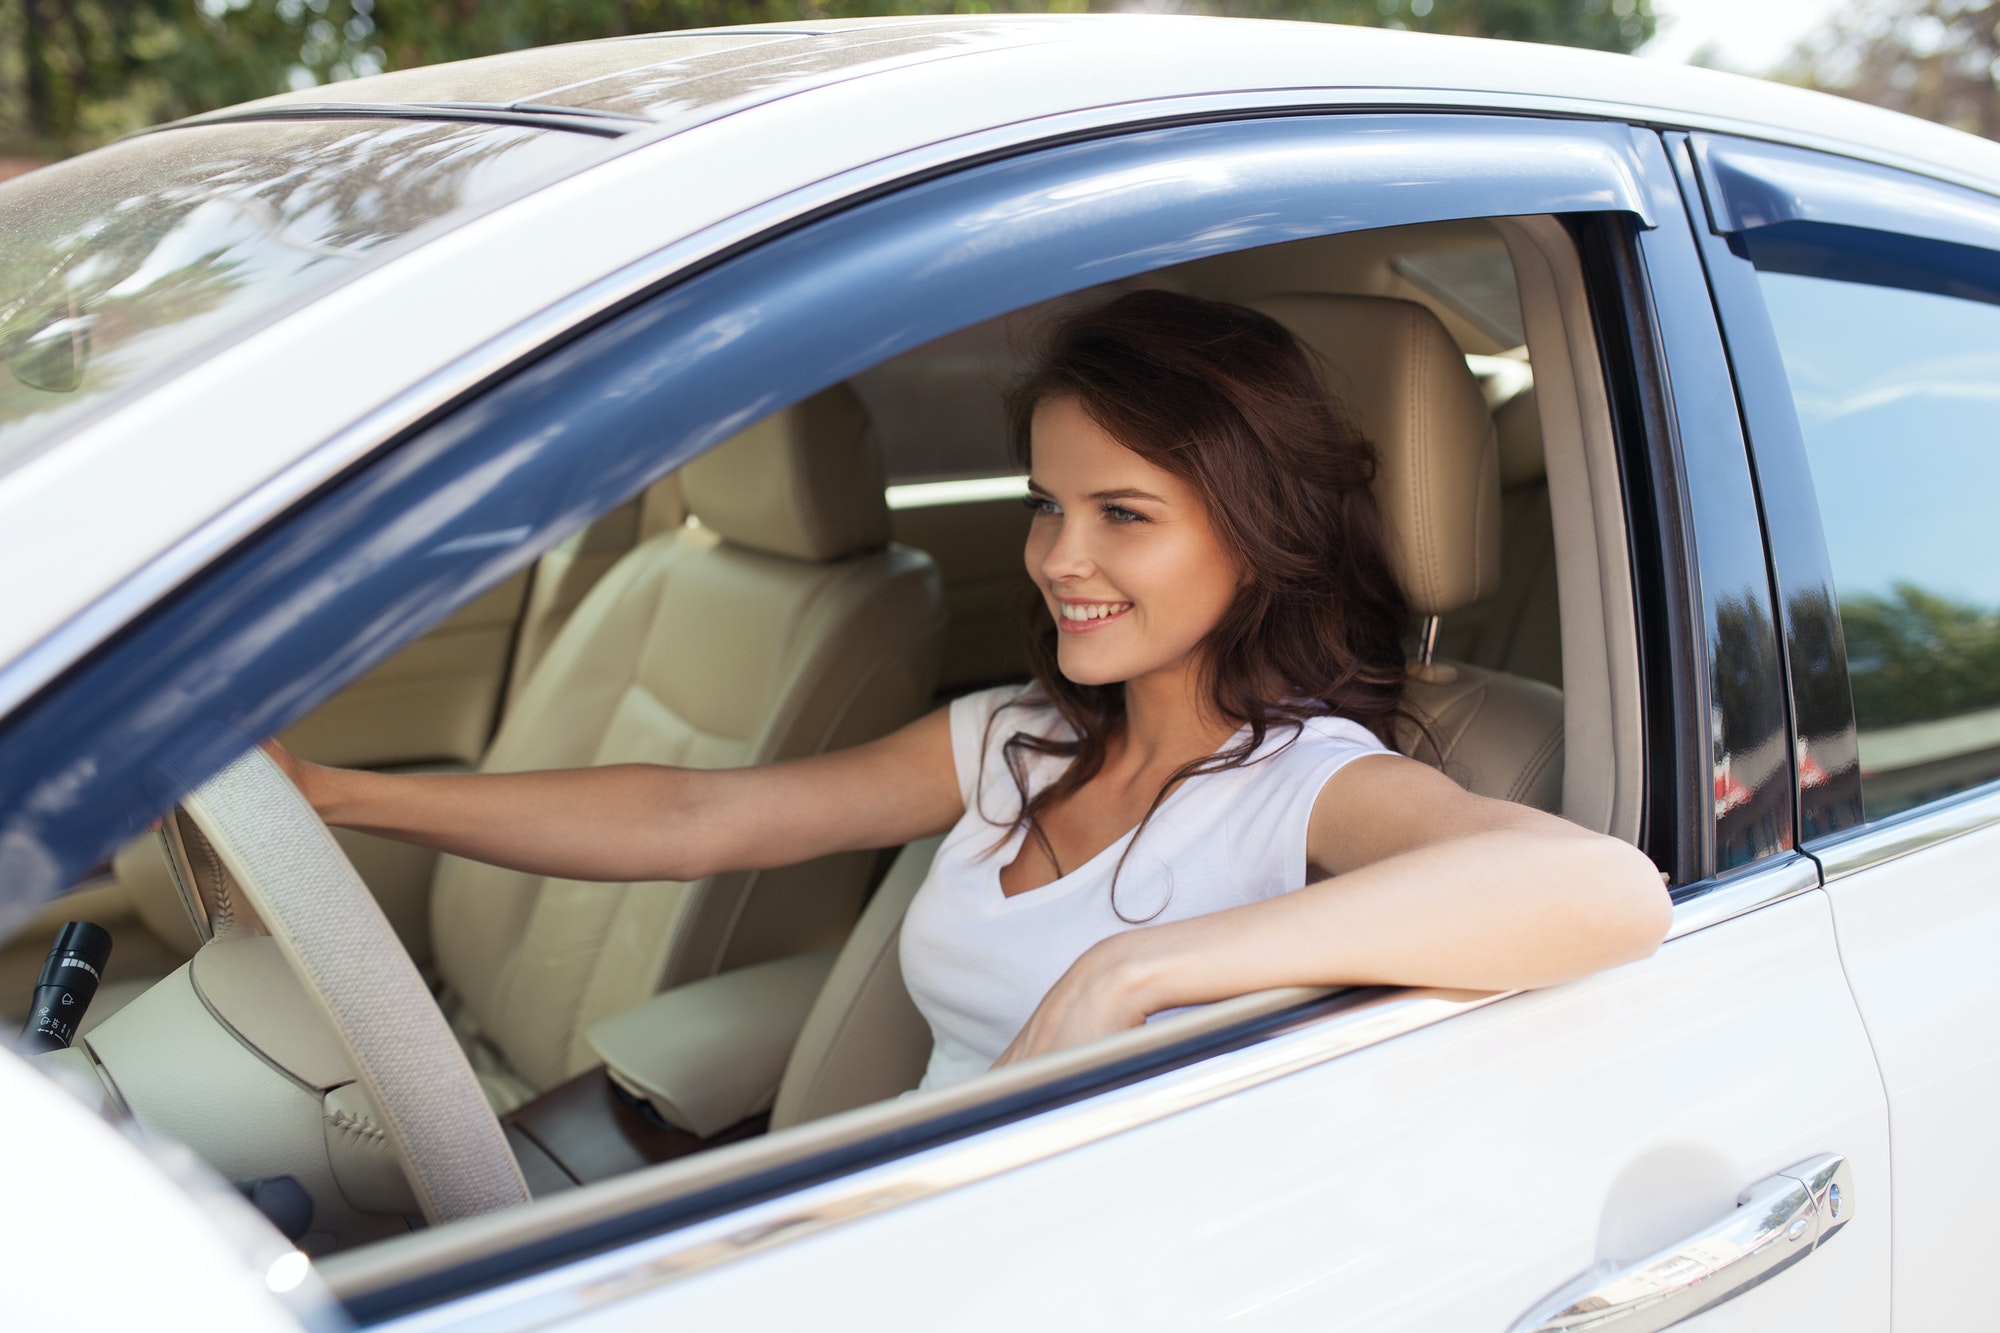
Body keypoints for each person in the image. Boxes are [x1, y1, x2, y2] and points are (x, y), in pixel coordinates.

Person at [265, 289, 1671, 1094]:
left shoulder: (1311, 784)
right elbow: (697, 815)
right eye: (1047, 504)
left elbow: (1608, 892)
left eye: (1125, 513)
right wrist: (339, 796)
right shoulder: (1013, 739)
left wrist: (1133, 967)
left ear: (1259, 538)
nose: (1062, 557)